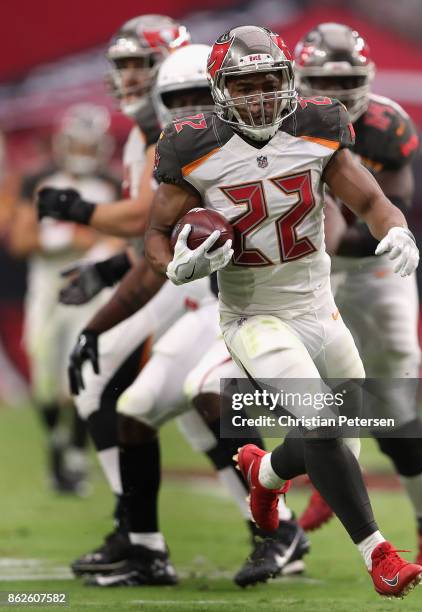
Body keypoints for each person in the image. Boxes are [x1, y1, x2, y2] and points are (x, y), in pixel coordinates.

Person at [145, 25, 422, 599]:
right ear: (221, 91)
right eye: (245, 85)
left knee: (350, 423)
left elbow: (370, 199)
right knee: (322, 421)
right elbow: (155, 231)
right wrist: (174, 268)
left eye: (270, 81)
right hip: (255, 313)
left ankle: (264, 472)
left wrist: (396, 229)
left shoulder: (318, 124)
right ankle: (380, 554)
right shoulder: (191, 145)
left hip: (321, 307)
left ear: (288, 79)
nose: (260, 95)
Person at [63, 43, 307, 588]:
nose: (188, 109)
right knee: (137, 409)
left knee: (225, 402)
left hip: (269, 307)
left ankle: (286, 527)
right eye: (177, 99)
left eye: (199, 95)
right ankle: (148, 548)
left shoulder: (267, 147)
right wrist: (98, 323)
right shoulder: (182, 161)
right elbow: (155, 259)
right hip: (210, 309)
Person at [293, 22, 422, 582]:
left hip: (375, 270)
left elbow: (394, 209)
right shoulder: (271, 126)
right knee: (312, 394)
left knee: (394, 403)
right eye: (320, 80)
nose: (335, 94)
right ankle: (327, 471)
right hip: (300, 276)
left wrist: (340, 234)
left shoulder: (385, 125)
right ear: (298, 77)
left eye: (345, 80)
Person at [36, 14, 191, 581]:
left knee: (340, 410)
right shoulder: (145, 133)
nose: (128, 78)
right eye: (121, 66)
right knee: (189, 408)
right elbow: (157, 236)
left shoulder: (182, 129)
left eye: (139, 65)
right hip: (189, 278)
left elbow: (153, 218)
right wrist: (106, 271)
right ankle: (142, 535)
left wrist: (78, 211)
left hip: (227, 284)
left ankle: (140, 534)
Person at [8, 103, 119, 494]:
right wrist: (66, 238)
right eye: (79, 145)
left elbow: (116, 238)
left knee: (84, 373)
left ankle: (74, 451)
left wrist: (95, 247)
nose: (84, 154)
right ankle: (57, 442)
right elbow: (19, 240)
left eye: (91, 146)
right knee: (43, 378)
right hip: (46, 289)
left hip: (89, 288)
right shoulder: (38, 179)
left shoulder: (110, 184)